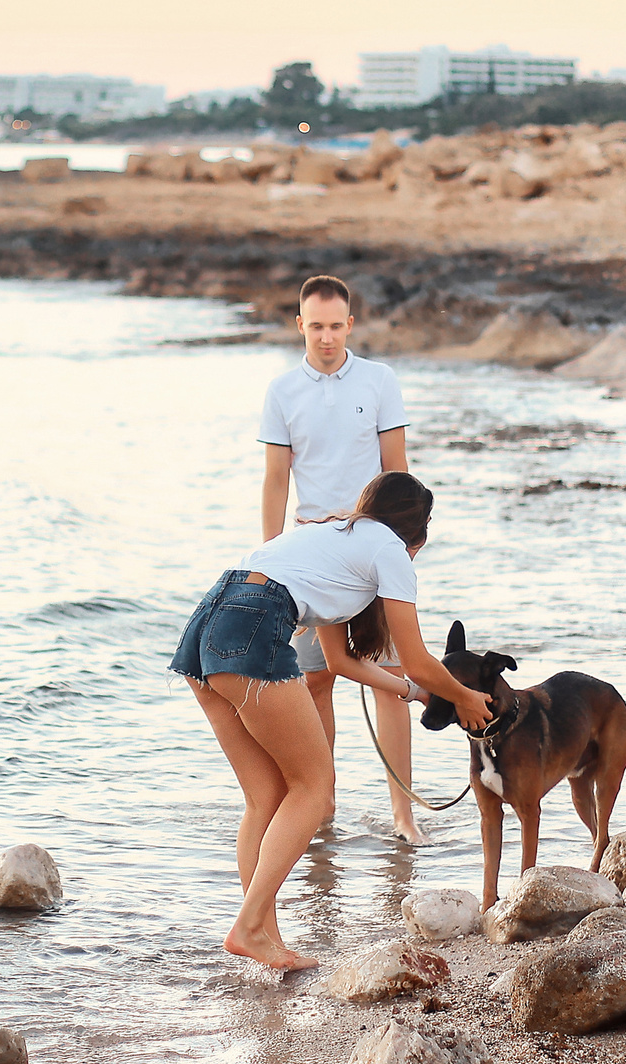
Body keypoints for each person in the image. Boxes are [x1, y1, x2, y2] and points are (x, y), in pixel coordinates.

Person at [170, 472, 492, 971]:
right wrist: (466, 697)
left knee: (266, 796)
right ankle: (249, 927)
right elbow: (417, 659)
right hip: (254, 624)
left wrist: (416, 693)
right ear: (419, 534)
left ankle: (264, 939)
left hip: (207, 623)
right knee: (313, 787)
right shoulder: (390, 550)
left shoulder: (335, 536)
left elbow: (340, 662)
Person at [257, 274, 425, 841]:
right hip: (310, 558)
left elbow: (396, 471)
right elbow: (275, 480)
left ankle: (403, 814)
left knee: (391, 680)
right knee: (316, 683)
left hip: (373, 546)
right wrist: (271, 559)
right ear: (299, 326)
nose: (326, 337)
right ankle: (322, 803)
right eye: (316, 327)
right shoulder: (282, 391)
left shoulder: (379, 380)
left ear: (350, 325)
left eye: (335, 326)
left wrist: (402, 549)